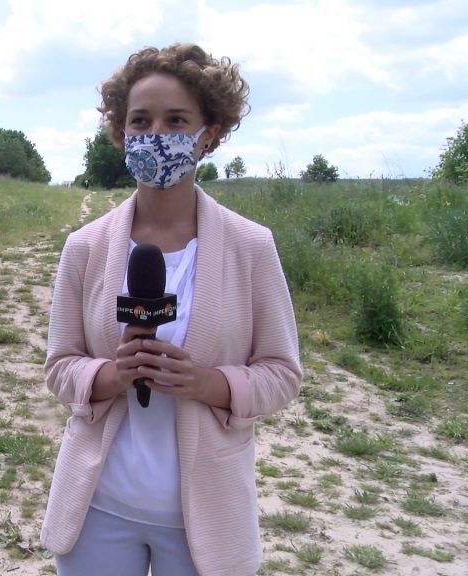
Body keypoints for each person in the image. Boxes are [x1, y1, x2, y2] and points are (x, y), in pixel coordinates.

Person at [40, 43, 302, 576]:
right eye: (141, 120)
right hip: (97, 509)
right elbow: (59, 367)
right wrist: (109, 376)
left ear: (209, 132)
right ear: (121, 132)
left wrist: (207, 384)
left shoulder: (252, 247)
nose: (155, 134)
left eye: (175, 119)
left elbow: (282, 374)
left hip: (204, 517)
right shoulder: (85, 248)